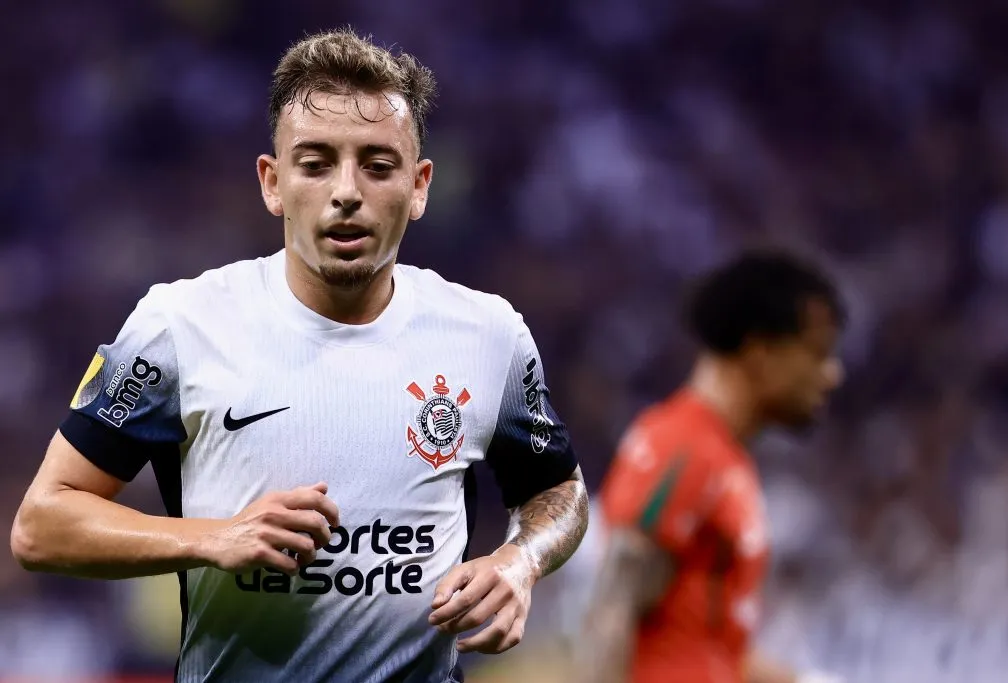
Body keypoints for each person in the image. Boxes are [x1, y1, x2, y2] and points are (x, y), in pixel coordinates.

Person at [9, 28, 588, 683]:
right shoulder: (177, 326)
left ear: (420, 186)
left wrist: (521, 559)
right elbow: (42, 524)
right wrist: (214, 537)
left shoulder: (490, 334)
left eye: (378, 165)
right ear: (272, 182)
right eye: (315, 163)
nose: (346, 191)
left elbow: (558, 489)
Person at [577, 250, 846, 683]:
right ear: (761, 352)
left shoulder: (723, 458)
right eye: (818, 353)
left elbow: (704, 651)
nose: (832, 374)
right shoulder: (681, 449)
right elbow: (611, 612)